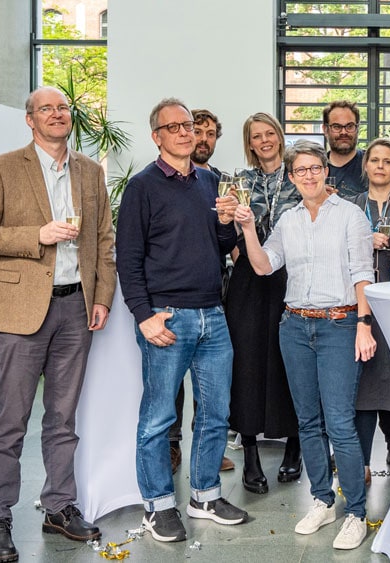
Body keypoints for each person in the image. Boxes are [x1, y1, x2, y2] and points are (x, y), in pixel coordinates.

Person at [0, 86, 116, 563]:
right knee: (11, 420)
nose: (56, 114)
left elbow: (104, 239)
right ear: (30, 120)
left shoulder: (89, 171)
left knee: (63, 419)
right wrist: (38, 235)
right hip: (21, 310)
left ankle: (59, 506)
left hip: (75, 309)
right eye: (46, 109)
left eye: (62, 107)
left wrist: (102, 297)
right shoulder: (1, 168)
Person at [116, 97, 247, 543]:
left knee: (215, 413)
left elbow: (220, 244)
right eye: (173, 127)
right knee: (158, 418)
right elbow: (128, 259)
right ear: (157, 136)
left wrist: (226, 222)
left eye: (188, 125)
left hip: (213, 313)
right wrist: (144, 316)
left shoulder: (209, 181)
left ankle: (205, 496)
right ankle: (158, 506)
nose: (185, 132)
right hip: (167, 317)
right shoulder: (142, 187)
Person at [234, 140, 376, 550]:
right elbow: (264, 266)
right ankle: (323, 500)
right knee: (308, 422)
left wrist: (364, 325)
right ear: (292, 176)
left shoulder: (350, 215)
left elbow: (363, 273)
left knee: (340, 423)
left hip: (339, 325)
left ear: (325, 172)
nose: (309, 175)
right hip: (294, 327)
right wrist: (248, 228)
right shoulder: (288, 220)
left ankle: (356, 513)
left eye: (316, 168)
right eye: (301, 170)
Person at [226, 113, 303, 494]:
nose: (265, 140)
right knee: (247, 364)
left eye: (270, 132)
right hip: (249, 282)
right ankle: (251, 453)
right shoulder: (239, 181)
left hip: (292, 277)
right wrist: (238, 249)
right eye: (256, 136)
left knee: (291, 361)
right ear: (250, 143)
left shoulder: (300, 175)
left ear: (280, 136)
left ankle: (295, 445)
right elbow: (225, 228)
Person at [169, 107, 235, 475]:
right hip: (174, 298)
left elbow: (226, 239)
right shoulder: (162, 179)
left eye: (211, 134)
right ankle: (172, 444)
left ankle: (207, 446)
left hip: (215, 290)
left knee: (210, 377)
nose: (204, 139)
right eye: (198, 131)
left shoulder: (220, 182)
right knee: (174, 379)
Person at [348, 137, 390, 483]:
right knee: (362, 381)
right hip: (358, 304)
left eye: (388, 161)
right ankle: (359, 462)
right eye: (375, 160)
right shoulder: (351, 206)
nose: (380, 166)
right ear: (365, 165)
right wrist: (364, 239)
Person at [322, 100, 366, 199]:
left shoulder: (375, 164)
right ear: (325, 129)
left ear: (357, 128)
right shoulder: (313, 169)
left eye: (349, 126)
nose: (343, 132)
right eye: (336, 127)